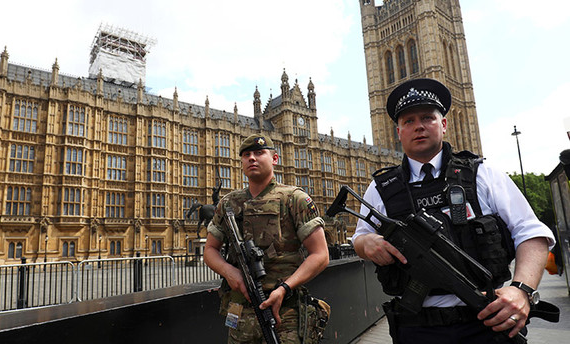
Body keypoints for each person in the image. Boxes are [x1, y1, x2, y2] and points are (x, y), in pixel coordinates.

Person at [352, 78, 555, 344]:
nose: (419, 126)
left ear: (444, 124)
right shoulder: (381, 188)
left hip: (486, 320)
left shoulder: (482, 174)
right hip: (416, 328)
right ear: (398, 132)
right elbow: (360, 238)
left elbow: (531, 232)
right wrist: (366, 243)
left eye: (427, 117)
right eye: (409, 121)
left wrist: (522, 290)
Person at [204, 134, 329, 343]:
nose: (252, 158)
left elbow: (321, 255)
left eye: (259, 153)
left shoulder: (295, 199)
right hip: (240, 314)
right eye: (246, 155)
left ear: (275, 158)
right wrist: (229, 272)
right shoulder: (228, 204)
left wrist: (284, 288)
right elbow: (210, 250)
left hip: (285, 315)